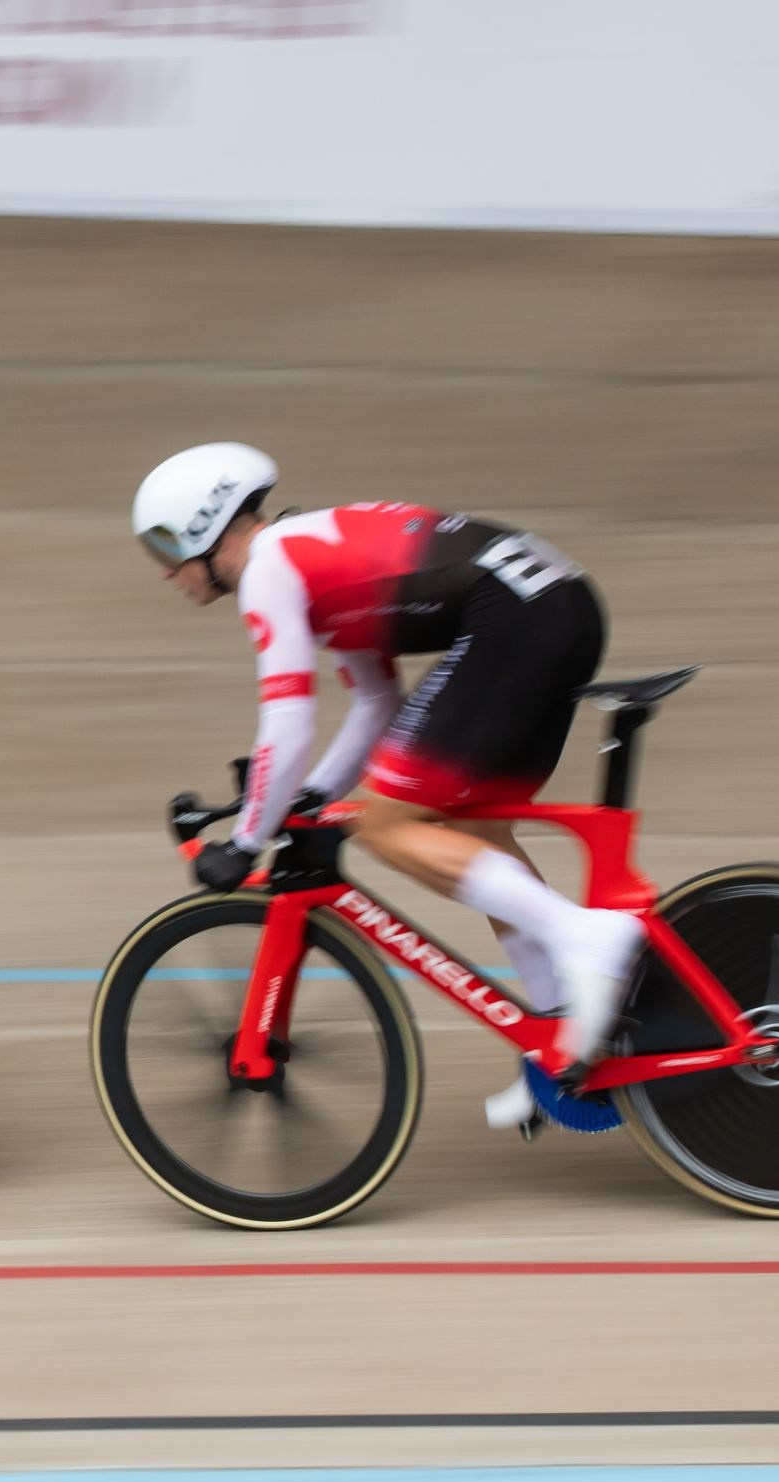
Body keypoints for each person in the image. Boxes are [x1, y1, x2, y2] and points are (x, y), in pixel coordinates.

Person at [131, 442, 645, 1130]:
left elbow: (288, 721)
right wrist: (311, 796)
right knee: (474, 831)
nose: (166, 571)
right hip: (556, 605)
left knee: (383, 824)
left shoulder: (269, 572)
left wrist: (248, 839)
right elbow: (375, 703)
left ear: (204, 527)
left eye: (164, 547)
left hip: (518, 620)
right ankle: (563, 1036)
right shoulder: (310, 555)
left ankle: (587, 937)